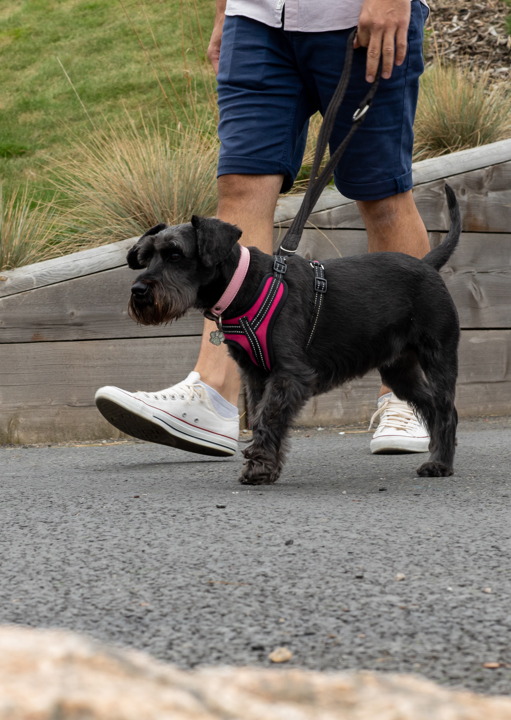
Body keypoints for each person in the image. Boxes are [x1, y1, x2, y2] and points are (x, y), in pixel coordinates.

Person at [95, 0, 433, 458]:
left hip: (356, 16)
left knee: (382, 197)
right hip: (255, 18)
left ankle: (406, 395)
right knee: (240, 188)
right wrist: (224, 9)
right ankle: (214, 393)